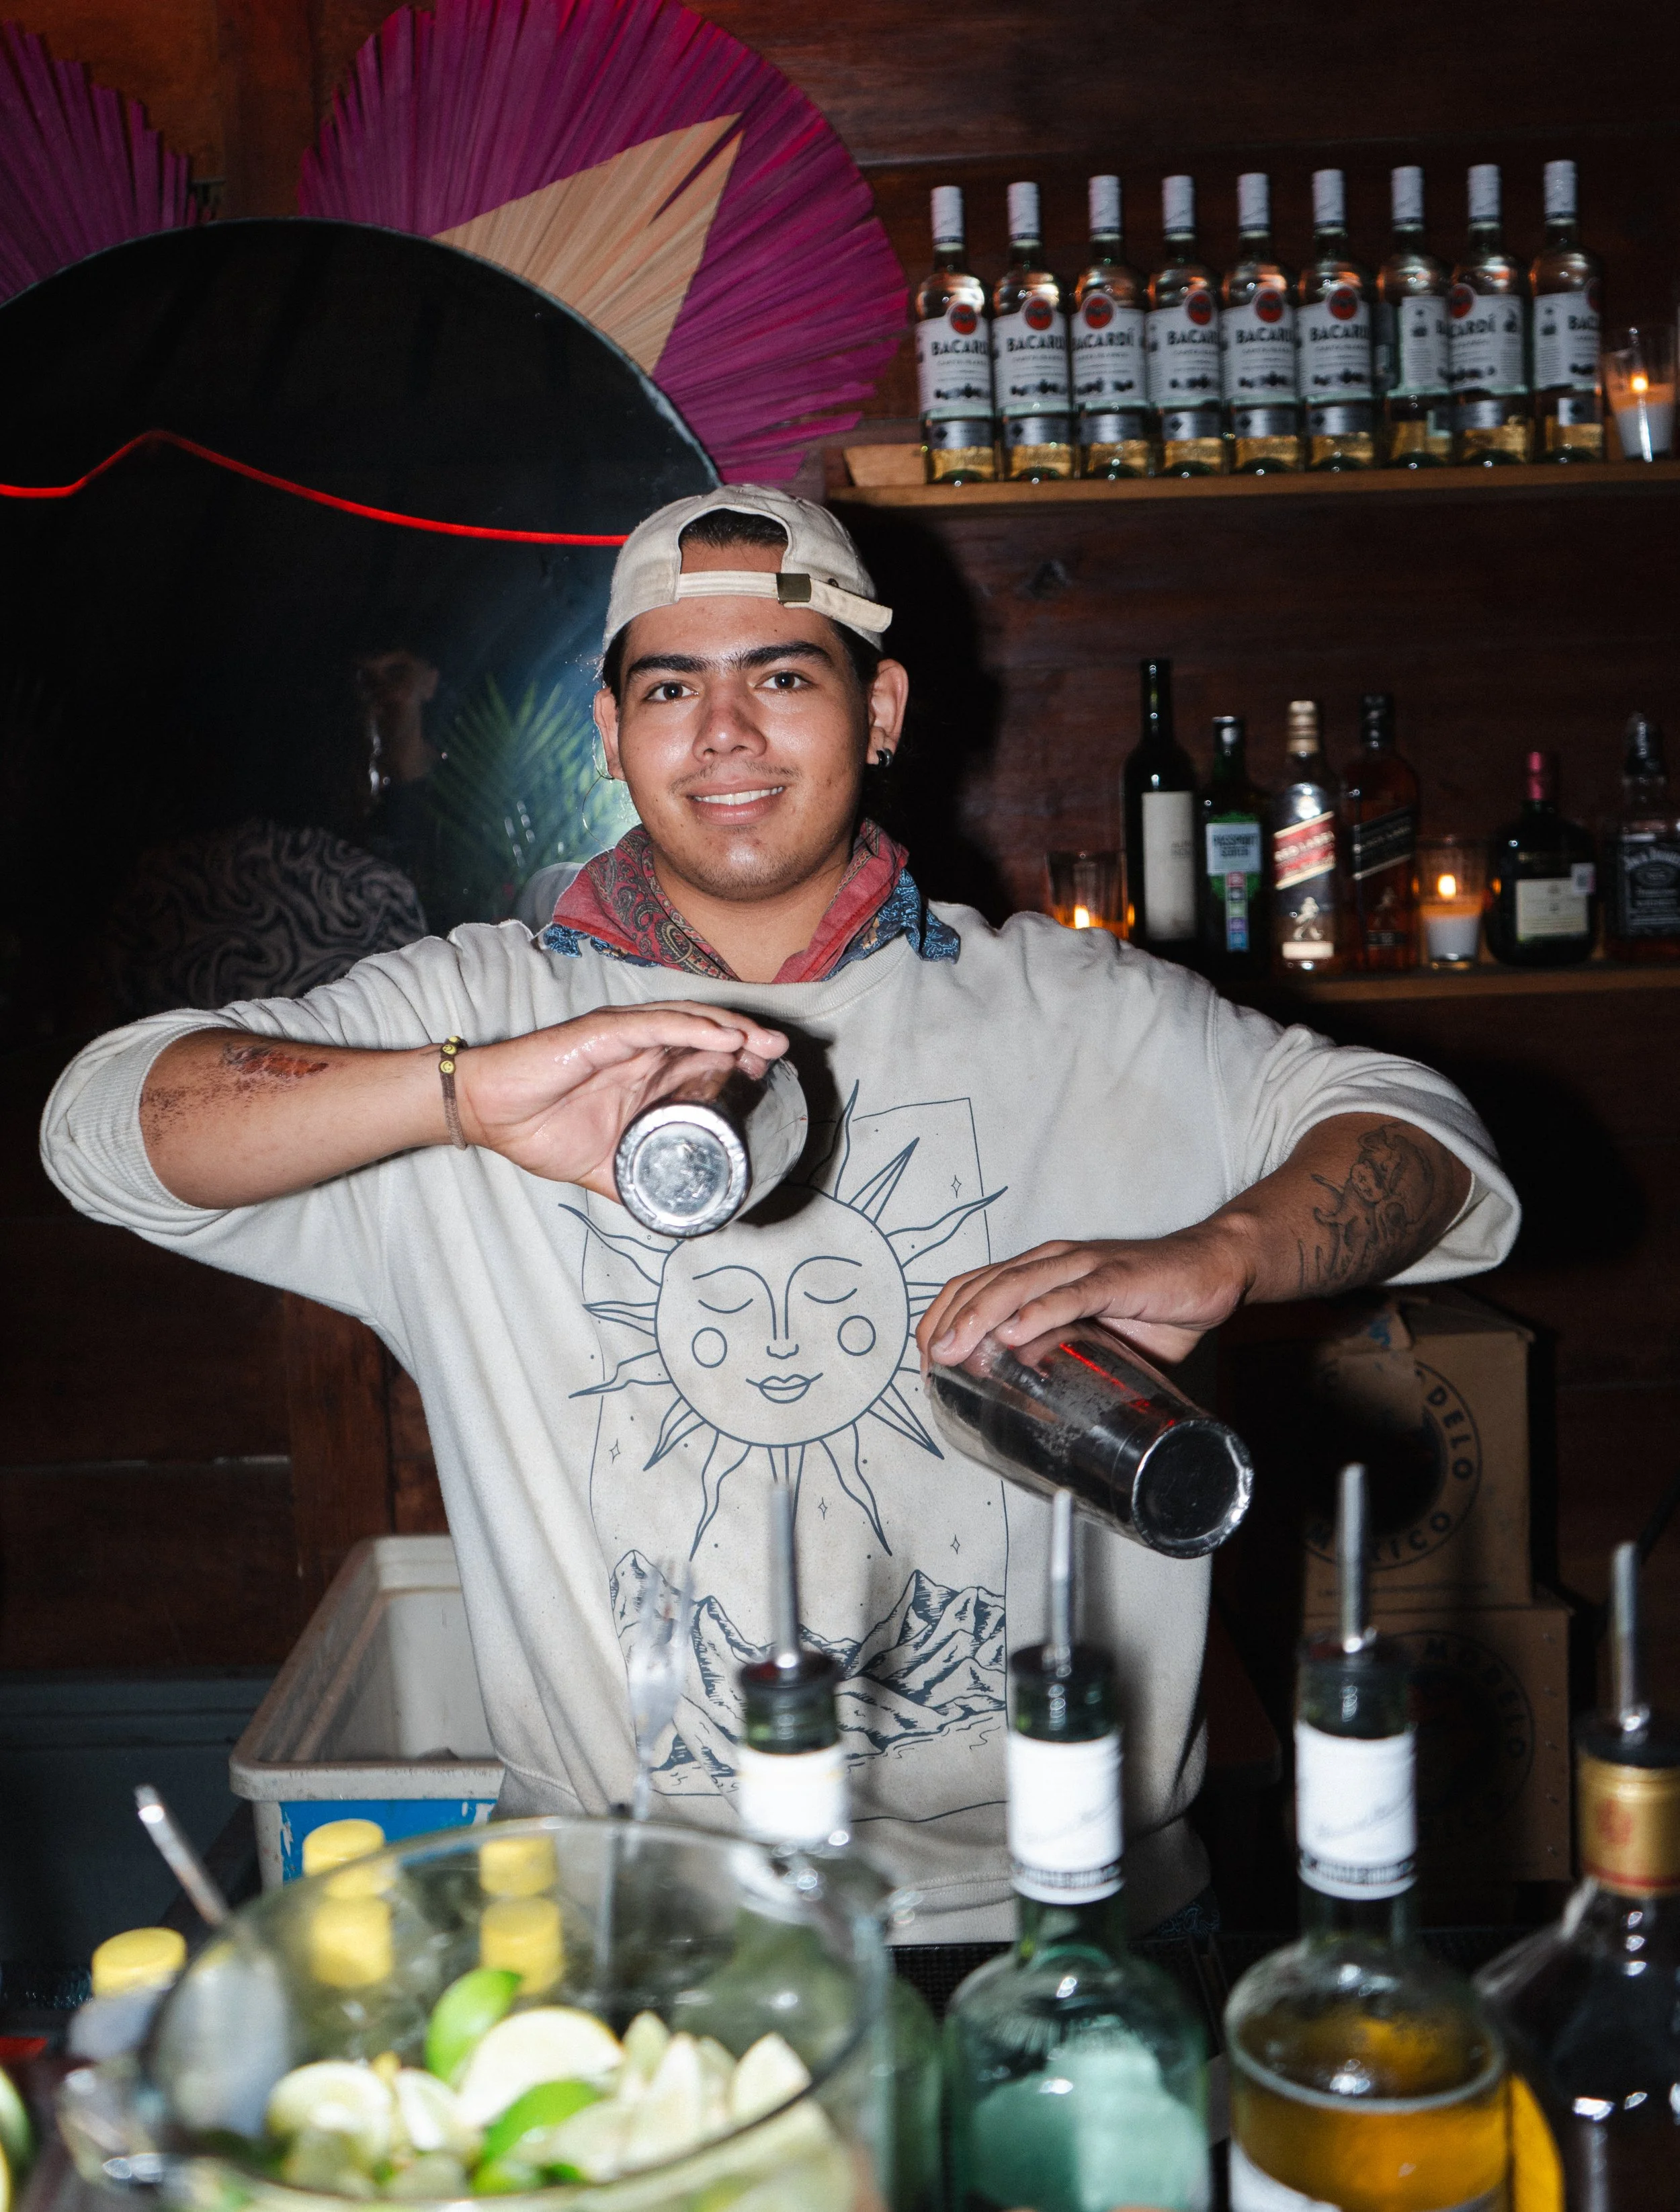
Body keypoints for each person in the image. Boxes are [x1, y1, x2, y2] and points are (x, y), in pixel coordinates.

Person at [41, 487, 1517, 1939]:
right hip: (625, 1918)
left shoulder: (1088, 1013)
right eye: (671, 685)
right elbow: (104, 1125)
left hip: (1064, 1913)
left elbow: (1437, 1150)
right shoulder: (476, 1013)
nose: (726, 732)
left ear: (878, 714)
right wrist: (459, 1095)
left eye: (782, 677)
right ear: (612, 735)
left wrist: (1227, 1252)